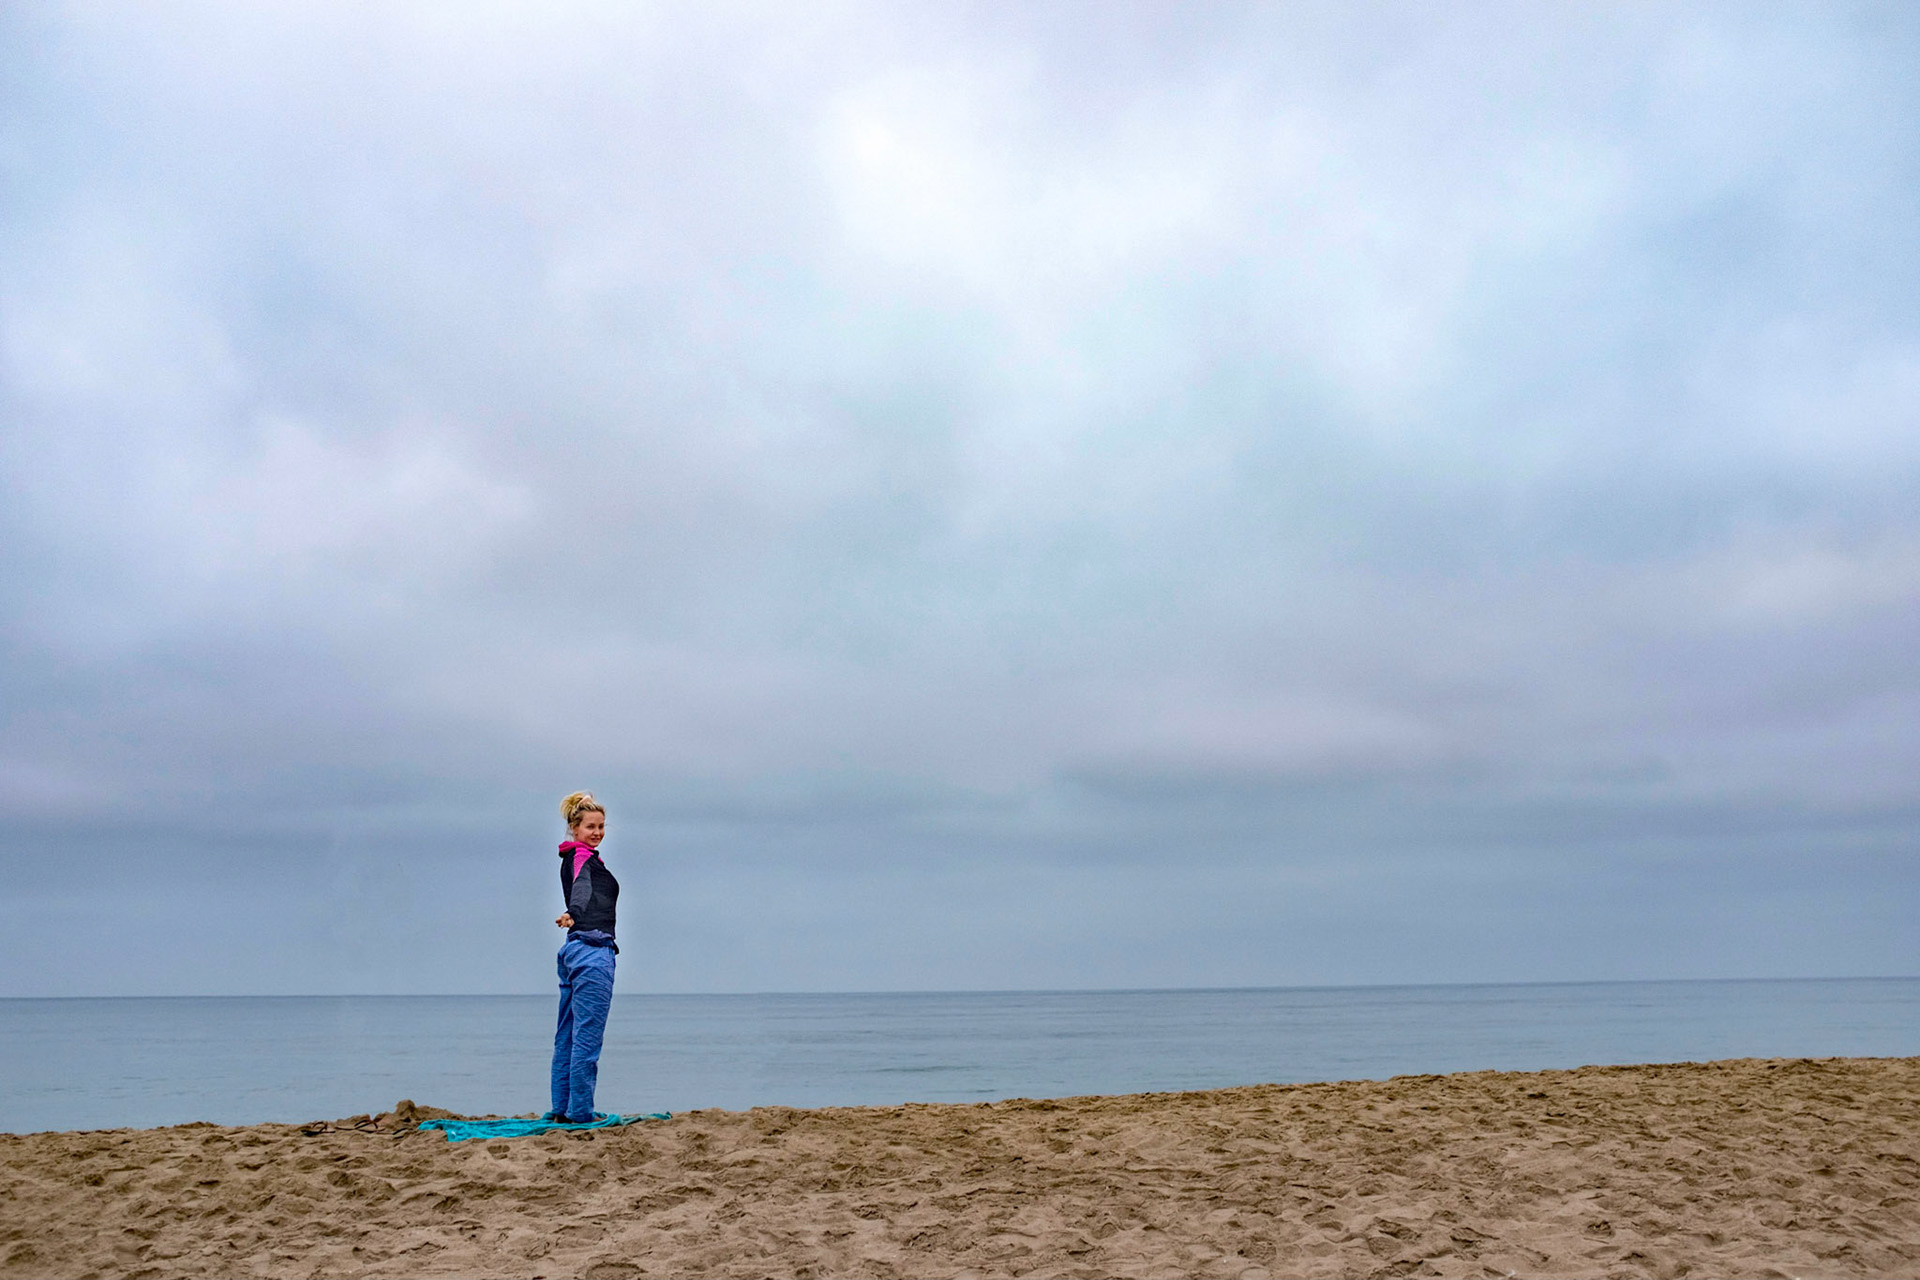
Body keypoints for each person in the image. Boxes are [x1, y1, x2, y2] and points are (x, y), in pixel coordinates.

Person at [549, 790, 620, 1123]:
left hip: (575, 950)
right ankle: (580, 1114)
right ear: (574, 829)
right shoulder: (580, 857)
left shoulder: (580, 856)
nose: (597, 832)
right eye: (591, 826)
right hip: (592, 952)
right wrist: (573, 912)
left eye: (601, 826)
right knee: (586, 1039)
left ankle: (562, 1109)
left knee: (568, 1035)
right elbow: (582, 888)